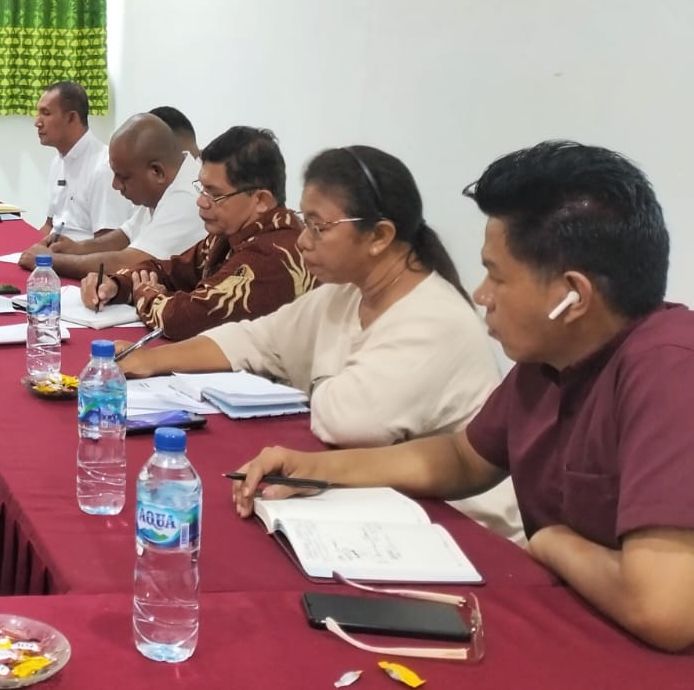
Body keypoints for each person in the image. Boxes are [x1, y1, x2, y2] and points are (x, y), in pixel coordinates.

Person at [233, 142, 694, 650]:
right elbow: (462, 457)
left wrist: (554, 542)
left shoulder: (669, 370)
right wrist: (316, 470)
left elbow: (663, 609)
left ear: (573, 297)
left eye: (496, 275)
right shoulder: (549, 360)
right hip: (581, 617)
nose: (481, 295)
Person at [124, 145, 519, 539]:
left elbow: (343, 421)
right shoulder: (344, 295)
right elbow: (253, 339)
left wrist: (305, 381)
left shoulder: (433, 319)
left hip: (461, 529)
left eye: (318, 227)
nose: (303, 241)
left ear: (379, 236)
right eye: (304, 221)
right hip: (382, 501)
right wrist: (148, 362)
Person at [79, 126, 312, 339]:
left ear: (261, 200)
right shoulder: (232, 233)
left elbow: (182, 319)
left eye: (214, 193)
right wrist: (116, 285)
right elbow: (171, 270)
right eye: (201, 188)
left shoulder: (273, 254)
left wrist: (145, 294)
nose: (201, 201)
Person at [28, 112, 203, 279]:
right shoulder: (164, 183)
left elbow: (130, 262)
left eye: (123, 177)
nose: (115, 185)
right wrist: (76, 248)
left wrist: (48, 261)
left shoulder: (187, 198)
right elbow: (125, 235)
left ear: (157, 171)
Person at [16, 82, 127, 266]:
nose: (37, 122)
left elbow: (110, 245)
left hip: (81, 268)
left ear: (71, 118)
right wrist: (32, 248)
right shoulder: (58, 162)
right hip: (53, 260)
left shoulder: (104, 166)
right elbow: (50, 225)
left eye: (46, 113)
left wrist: (54, 258)